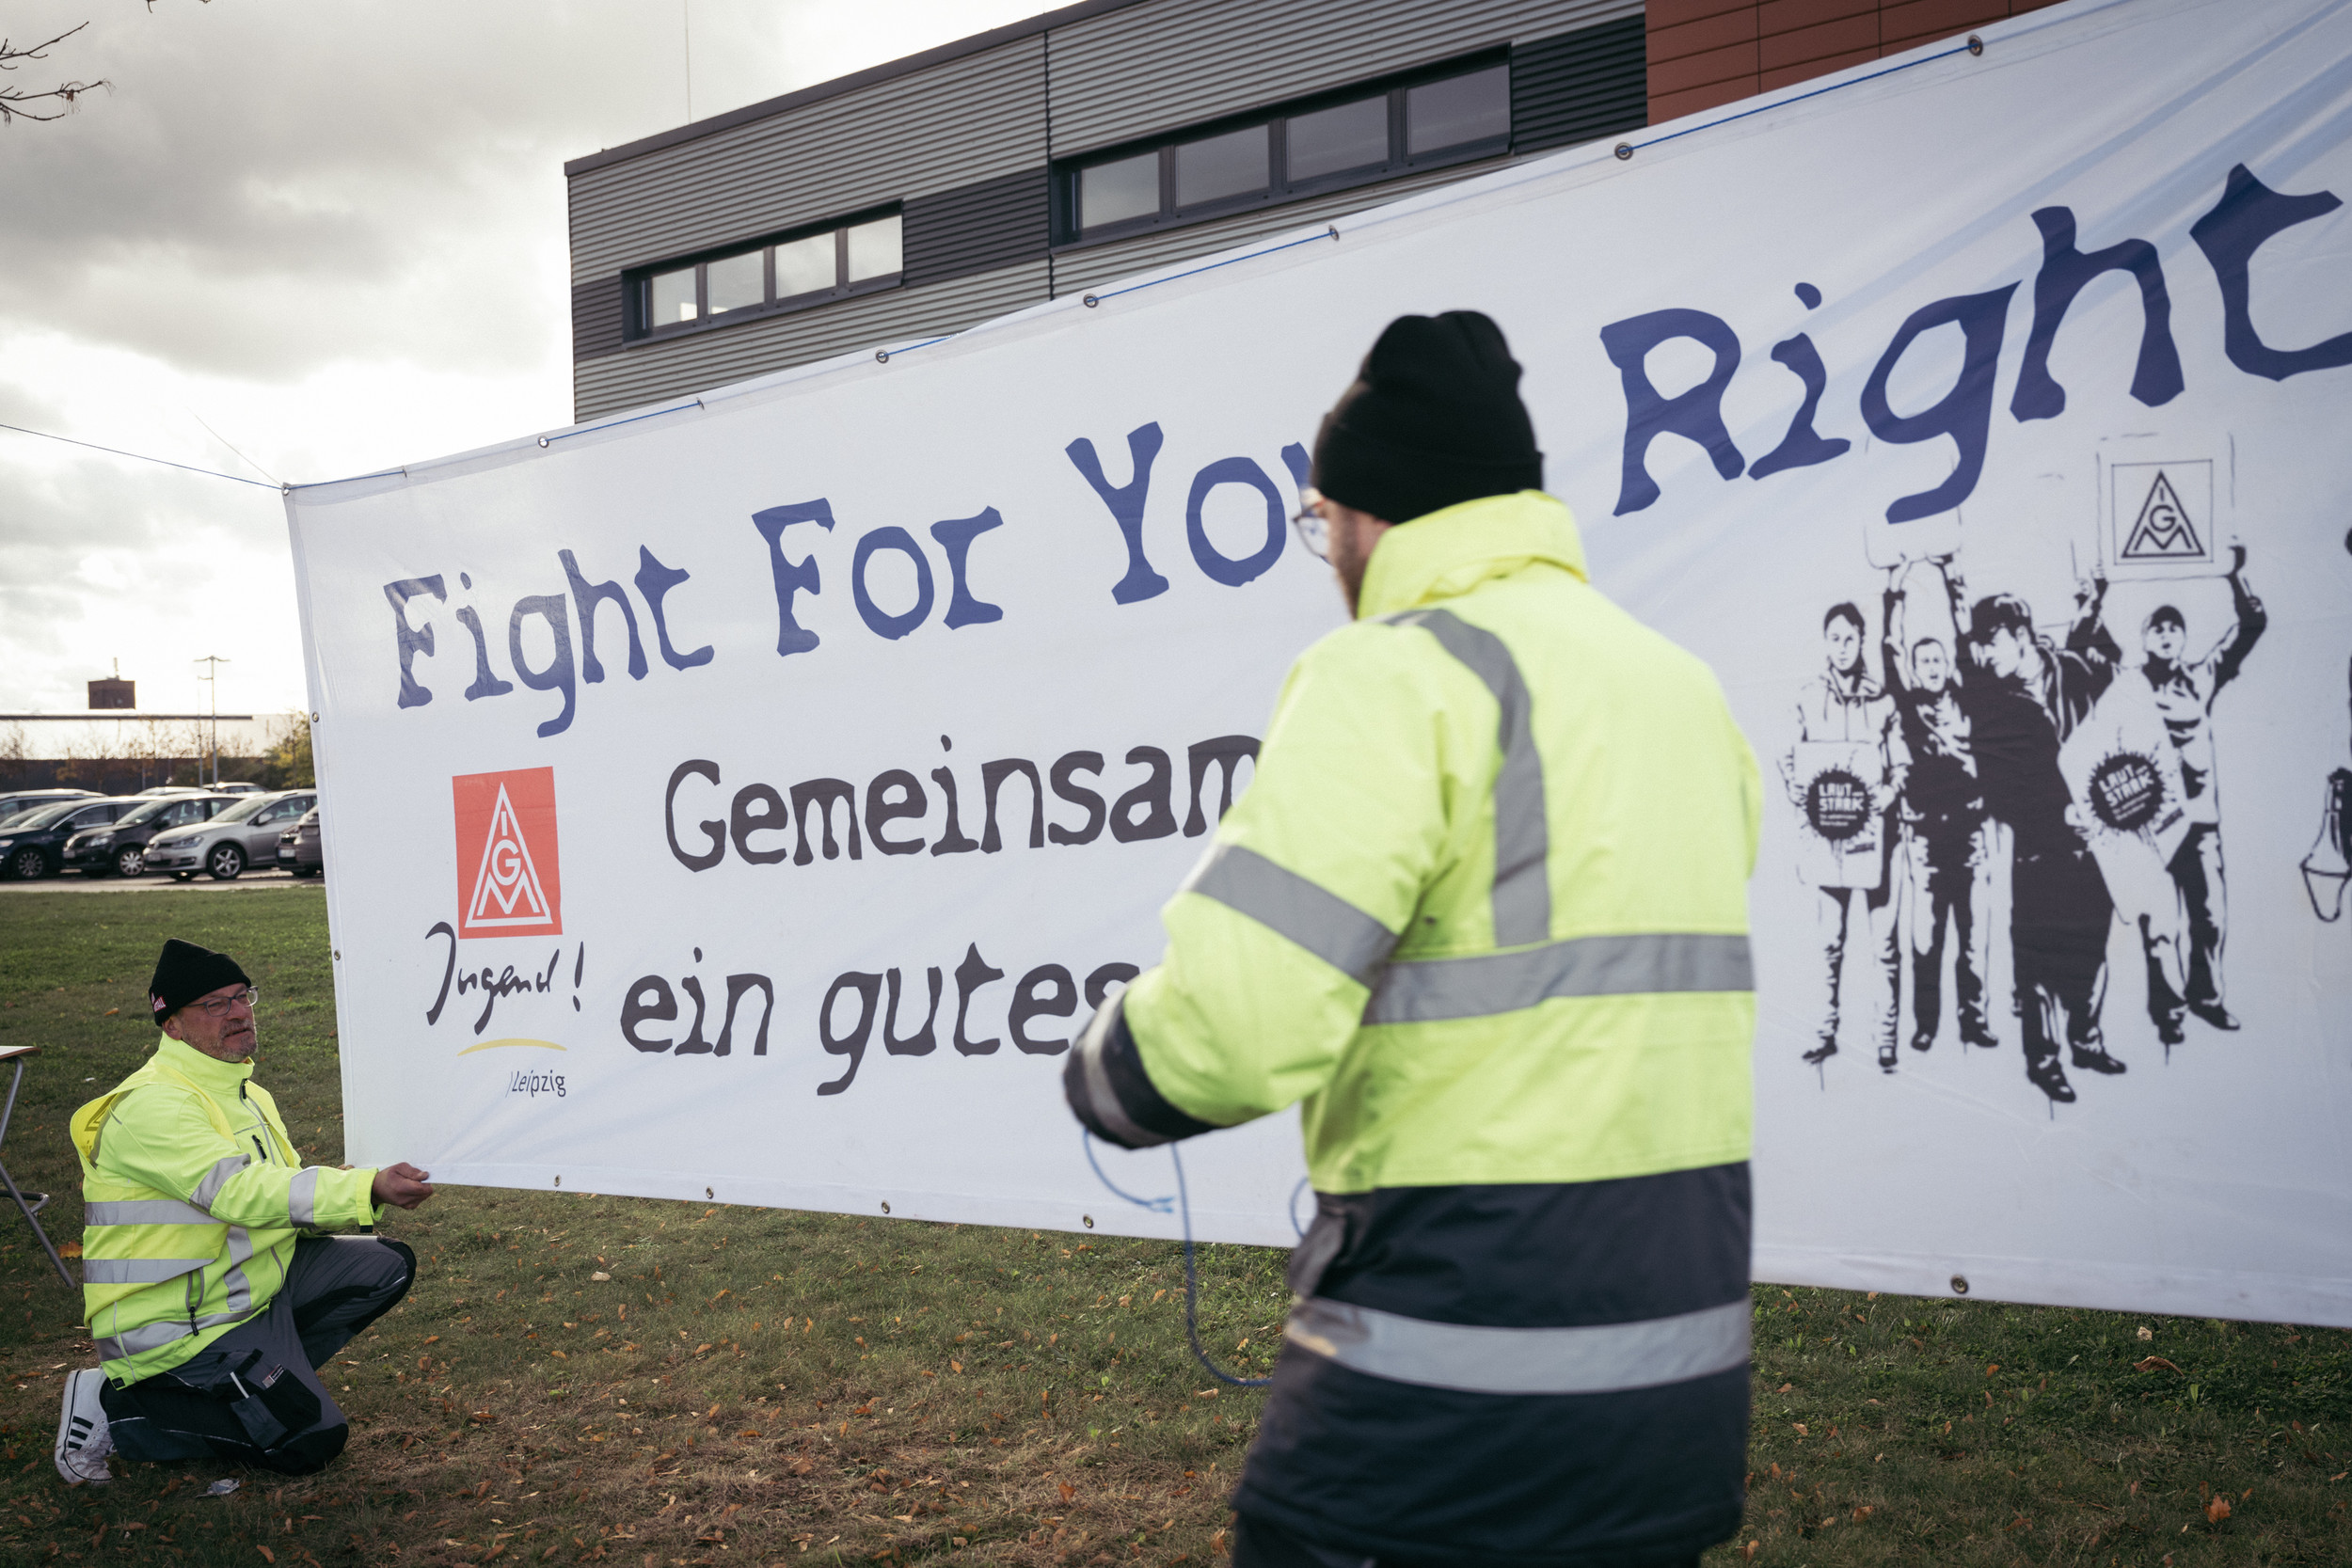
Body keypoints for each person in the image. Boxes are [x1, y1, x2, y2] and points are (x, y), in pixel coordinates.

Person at [1065, 313, 1758, 1568]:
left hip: (1445, 1396)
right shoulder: (1679, 687)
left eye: (1318, 515)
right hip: (1677, 1385)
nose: (1323, 545)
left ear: (1369, 515)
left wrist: (1109, 1068)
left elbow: (1235, 1026)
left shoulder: (1392, 673)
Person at [54, 940, 436, 1485]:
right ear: (173, 1026)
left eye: (241, 997)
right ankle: (117, 1407)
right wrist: (363, 1189)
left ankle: (261, 1381)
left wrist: (367, 1188)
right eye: (214, 1004)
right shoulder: (153, 1105)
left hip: (248, 1294)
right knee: (313, 1443)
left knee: (385, 1266)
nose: (237, 1013)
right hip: (176, 1327)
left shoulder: (246, 1094)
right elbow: (240, 1192)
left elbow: (284, 1195)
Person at [1954, 572, 2123, 1104]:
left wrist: (2095, 604)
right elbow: (1997, 792)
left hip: (2095, 841)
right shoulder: (1992, 704)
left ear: (2021, 633)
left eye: (1991, 640)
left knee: (2093, 947)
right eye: (1978, 643)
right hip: (2036, 845)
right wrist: (2057, 812)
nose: (1983, 652)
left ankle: (2086, 1039)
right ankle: (2043, 1060)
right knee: (2035, 956)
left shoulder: (2076, 670)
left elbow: (2121, 708)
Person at [2130, 547, 2265, 1043]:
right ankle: (2168, 1012)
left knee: (2210, 916)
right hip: (2154, 826)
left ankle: (2207, 998)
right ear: (2144, 638)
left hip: (2201, 822)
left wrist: (2236, 575)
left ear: (2184, 637)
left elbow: (2251, 627)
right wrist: (2095, 593)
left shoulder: (2200, 678)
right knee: (2161, 922)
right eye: (2157, 629)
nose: (2166, 635)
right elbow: (2085, 648)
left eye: (2173, 628)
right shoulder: (2131, 685)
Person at [1779, 603, 1904, 1070]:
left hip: (1876, 844)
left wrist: (1888, 795)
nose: (1842, 646)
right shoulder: (1808, 698)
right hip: (1827, 842)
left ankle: (1886, 1042)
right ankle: (1824, 1033)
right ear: (1825, 642)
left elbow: (1902, 764)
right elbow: (1788, 755)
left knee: (1884, 946)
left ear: (1862, 639)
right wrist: (1795, 785)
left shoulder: (1884, 701)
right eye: (1834, 638)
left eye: (1850, 638)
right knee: (1830, 942)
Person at [1883, 566, 1996, 1053]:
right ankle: (1926, 1023)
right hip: (1926, 841)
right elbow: (1887, 652)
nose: (1930, 665)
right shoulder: (1907, 707)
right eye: (1922, 659)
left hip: (1970, 837)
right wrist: (1894, 593)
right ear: (1914, 666)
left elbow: (1969, 640)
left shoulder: (1968, 698)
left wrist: (1954, 583)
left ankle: (1974, 1021)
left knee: (1973, 938)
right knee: (1927, 940)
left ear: (1947, 663)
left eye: (1937, 658)